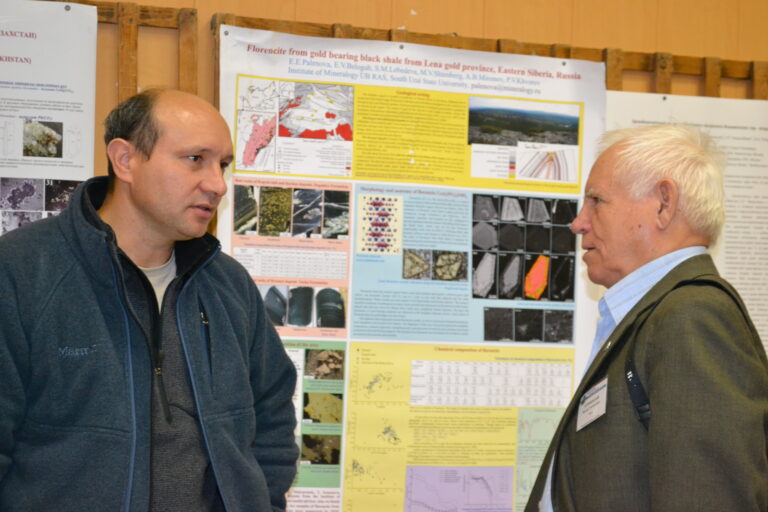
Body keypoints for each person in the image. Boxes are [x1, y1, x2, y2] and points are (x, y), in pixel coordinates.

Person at [0, 89, 299, 511]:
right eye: (194, 159)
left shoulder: (229, 285)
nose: (217, 184)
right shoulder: (20, 273)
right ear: (125, 160)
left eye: (222, 165)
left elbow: (272, 422)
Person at [525, 124, 768, 511]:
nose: (578, 223)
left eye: (596, 201)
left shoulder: (693, 314)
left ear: (663, 204)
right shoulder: (653, 315)